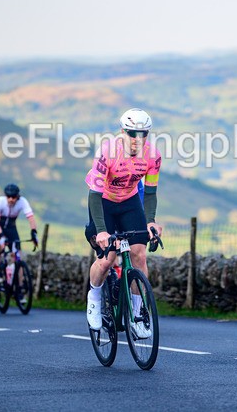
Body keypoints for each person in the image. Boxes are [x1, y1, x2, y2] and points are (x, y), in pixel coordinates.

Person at [85, 108, 163, 338]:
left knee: (139, 254)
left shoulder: (153, 156)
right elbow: (94, 196)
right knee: (107, 259)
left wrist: (150, 221)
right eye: (131, 133)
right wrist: (101, 231)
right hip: (103, 202)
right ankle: (94, 299)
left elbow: (150, 193)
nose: (137, 139)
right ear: (122, 131)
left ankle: (137, 314)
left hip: (129, 202)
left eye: (143, 133)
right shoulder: (107, 152)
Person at [0, 183, 39, 282]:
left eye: (13, 197)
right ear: (5, 195)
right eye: (8, 196)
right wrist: (1, 236)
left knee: (18, 256)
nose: (11, 199)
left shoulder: (22, 201)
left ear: (17, 196)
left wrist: (33, 232)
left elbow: (31, 218)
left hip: (11, 228)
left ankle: (19, 286)